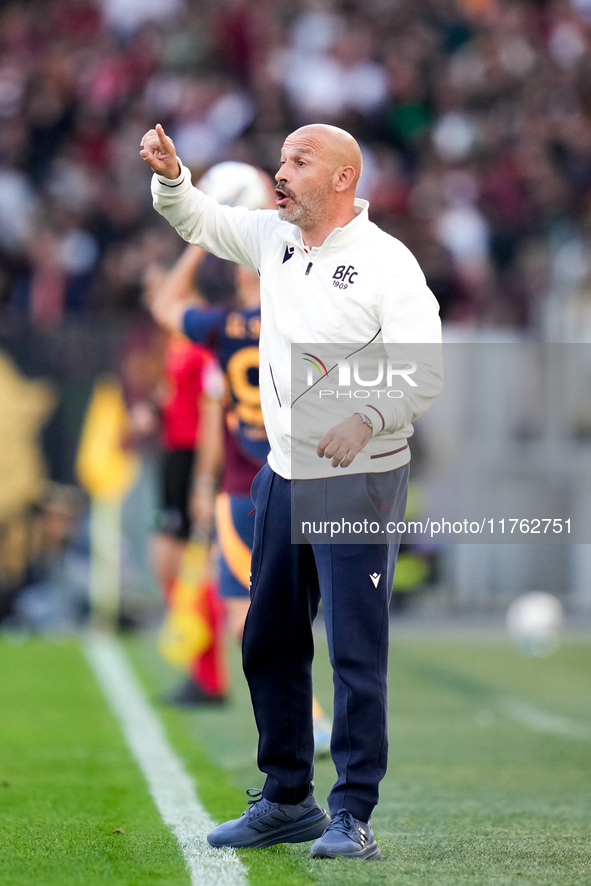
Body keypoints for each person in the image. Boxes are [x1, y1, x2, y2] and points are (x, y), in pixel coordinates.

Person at [140, 122, 443, 860]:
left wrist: (368, 414)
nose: (281, 172)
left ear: (342, 179)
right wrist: (174, 178)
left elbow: (423, 370)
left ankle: (352, 814)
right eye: (279, 160)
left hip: (361, 479)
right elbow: (201, 220)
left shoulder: (386, 263)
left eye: (298, 161)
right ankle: (285, 800)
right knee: (268, 639)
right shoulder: (273, 238)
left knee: (351, 651)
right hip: (281, 475)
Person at [147, 237, 333, 753]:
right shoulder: (301, 323)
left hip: (242, 486)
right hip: (300, 476)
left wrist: (194, 245)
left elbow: (165, 306)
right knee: (301, 608)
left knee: (243, 613)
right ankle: (317, 718)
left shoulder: (223, 329)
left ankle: (307, 718)